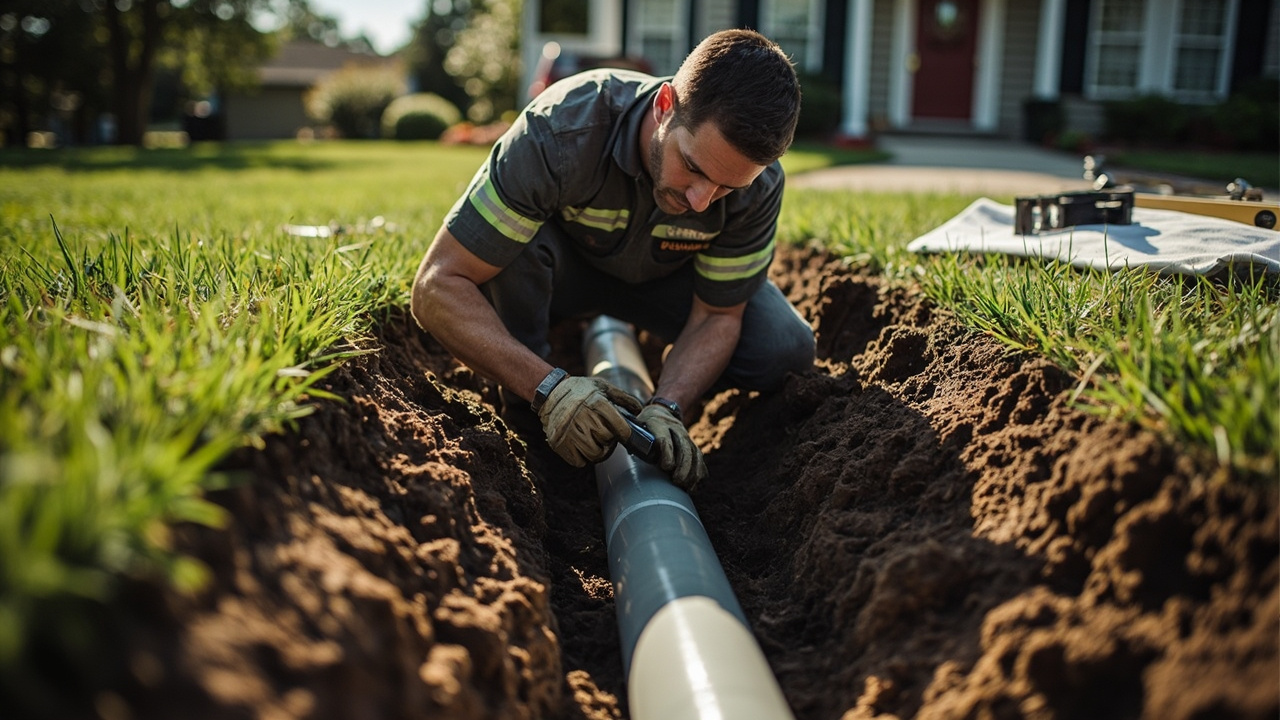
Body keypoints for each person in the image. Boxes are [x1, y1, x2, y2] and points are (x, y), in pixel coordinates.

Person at [411, 28, 814, 491]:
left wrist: (668, 404)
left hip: (665, 281)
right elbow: (436, 285)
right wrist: (549, 387)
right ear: (665, 106)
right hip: (558, 275)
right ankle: (529, 414)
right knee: (511, 248)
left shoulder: (758, 186)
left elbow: (719, 315)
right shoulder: (561, 131)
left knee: (784, 348)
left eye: (728, 187)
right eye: (695, 168)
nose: (703, 201)